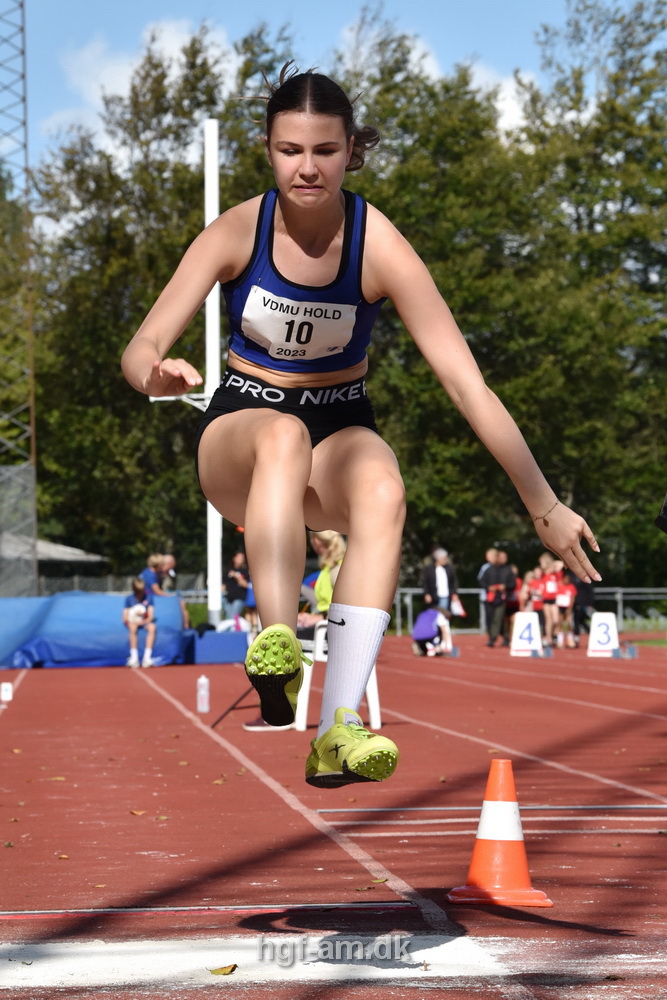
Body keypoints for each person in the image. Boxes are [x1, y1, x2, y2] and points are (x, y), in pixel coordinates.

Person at [121, 63, 600, 788]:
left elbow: (465, 384)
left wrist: (544, 504)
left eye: (324, 150)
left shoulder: (377, 244)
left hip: (336, 428)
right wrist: (153, 373)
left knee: (382, 484)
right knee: (280, 435)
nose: (307, 168)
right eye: (290, 151)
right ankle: (276, 644)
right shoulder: (237, 230)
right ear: (268, 150)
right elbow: (142, 345)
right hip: (241, 435)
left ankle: (336, 726)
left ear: (351, 150)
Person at [480, 550, 516, 647]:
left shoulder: (508, 570)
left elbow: (513, 584)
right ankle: (502, 637)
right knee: (490, 618)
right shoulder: (489, 569)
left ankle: (493, 638)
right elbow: (482, 581)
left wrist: (505, 587)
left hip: (502, 598)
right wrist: (489, 587)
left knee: (498, 618)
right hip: (490, 598)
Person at [122, 577, 156, 667]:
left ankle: (147, 657)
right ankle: (134, 657)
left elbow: (151, 615)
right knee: (132, 628)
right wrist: (132, 619)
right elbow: (124, 616)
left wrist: (144, 620)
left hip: (144, 621)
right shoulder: (129, 599)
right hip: (133, 621)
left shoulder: (148, 598)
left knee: (152, 627)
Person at [422, 547, 460, 615]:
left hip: (445, 595)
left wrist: (455, 593)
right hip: (433, 596)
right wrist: (426, 594)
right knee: (433, 615)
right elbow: (425, 582)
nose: (446, 560)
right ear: (438, 558)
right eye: (444, 558)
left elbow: (454, 582)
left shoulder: (449, 569)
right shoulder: (429, 569)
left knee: (443, 615)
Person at [224, 550, 250, 619]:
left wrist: (236, 576)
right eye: (239, 557)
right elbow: (224, 585)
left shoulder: (245, 571)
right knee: (228, 619)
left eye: (242, 558)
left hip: (239, 598)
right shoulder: (229, 570)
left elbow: (245, 584)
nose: (241, 560)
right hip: (229, 599)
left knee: (232, 618)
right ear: (234, 558)